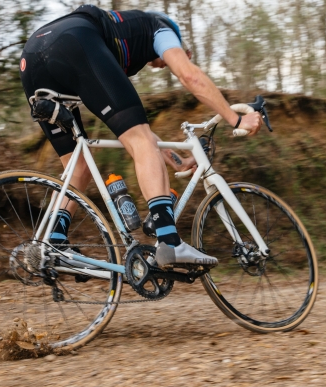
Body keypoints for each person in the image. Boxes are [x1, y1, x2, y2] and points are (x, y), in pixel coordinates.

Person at [19, 4, 262, 268]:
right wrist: (235, 118)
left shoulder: (120, 41)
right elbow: (189, 75)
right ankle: (169, 242)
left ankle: (53, 245)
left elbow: (131, 128)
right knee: (141, 140)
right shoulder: (160, 27)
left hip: (32, 59)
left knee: (78, 167)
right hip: (74, 41)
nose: (160, 67)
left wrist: (177, 161)